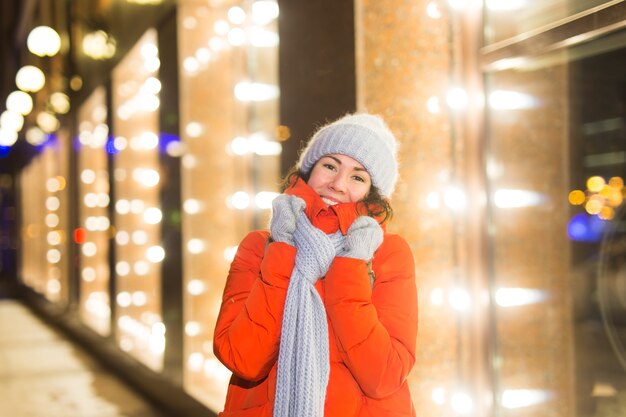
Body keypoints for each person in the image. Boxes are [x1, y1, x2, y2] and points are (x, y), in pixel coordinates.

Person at [213, 113, 418, 417]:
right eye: (330, 166)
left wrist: (351, 265)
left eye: (357, 177)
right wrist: (283, 250)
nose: (337, 184)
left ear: (373, 193)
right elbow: (243, 357)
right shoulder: (261, 246)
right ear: (309, 170)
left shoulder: (389, 253)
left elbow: (385, 374)